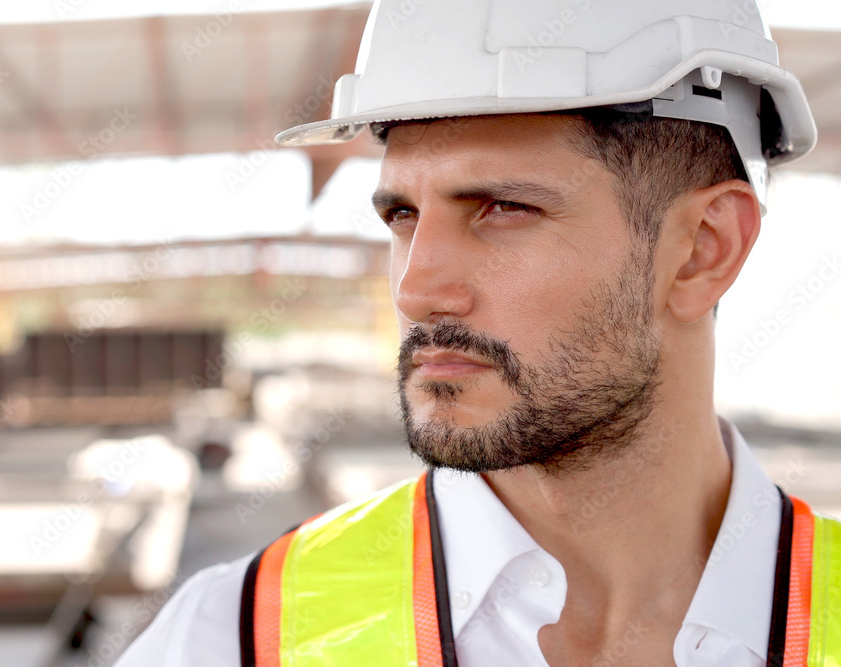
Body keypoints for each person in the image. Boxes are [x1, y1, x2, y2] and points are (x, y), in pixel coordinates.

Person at [115, 1, 840, 665]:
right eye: (402, 215)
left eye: (501, 208)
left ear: (703, 248)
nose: (417, 289)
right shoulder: (231, 639)